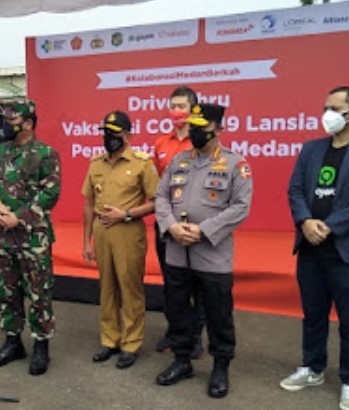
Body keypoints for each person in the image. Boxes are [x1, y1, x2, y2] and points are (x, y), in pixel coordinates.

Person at [281, 86, 349, 410]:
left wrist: (329, 225)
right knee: (313, 315)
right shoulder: (311, 149)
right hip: (311, 248)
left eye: (334, 107)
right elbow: (295, 190)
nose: (327, 114)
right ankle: (313, 368)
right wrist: (304, 221)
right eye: (325, 106)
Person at [153, 104, 252, 398]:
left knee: (218, 314)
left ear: (218, 129)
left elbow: (241, 207)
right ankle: (181, 360)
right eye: (192, 126)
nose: (195, 132)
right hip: (176, 250)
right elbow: (161, 197)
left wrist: (203, 229)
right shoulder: (179, 161)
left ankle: (220, 367)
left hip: (212, 254)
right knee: (178, 309)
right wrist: (170, 226)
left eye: (201, 127)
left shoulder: (236, 164)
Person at [0, 101, 61, 375]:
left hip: (33, 236)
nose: (6, 123)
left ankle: (41, 346)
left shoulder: (45, 153)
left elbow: (50, 193)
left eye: (12, 119)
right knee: (7, 290)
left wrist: (21, 217)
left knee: (38, 292)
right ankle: (12, 341)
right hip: (4, 236)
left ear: (27, 123)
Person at [82, 111, 159, 370]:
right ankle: (109, 339)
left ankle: (131, 342)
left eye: (114, 133)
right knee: (106, 288)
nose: (109, 138)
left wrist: (126, 214)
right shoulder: (96, 163)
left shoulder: (142, 163)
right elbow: (89, 203)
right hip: (102, 232)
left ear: (127, 135)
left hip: (128, 232)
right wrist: (86, 241)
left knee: (130, 287)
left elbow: (157, 202)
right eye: (105, 133)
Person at [152, 85, 205, 358]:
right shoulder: (161, 142)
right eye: (173, 106)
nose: (176, 111)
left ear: (194, 110)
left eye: (182, 106)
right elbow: (157, 185)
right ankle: (175, 331)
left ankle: (195, 335)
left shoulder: (201, 142)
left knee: (196, 282)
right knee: (172, 281)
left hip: (194, 222)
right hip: (165, 222)